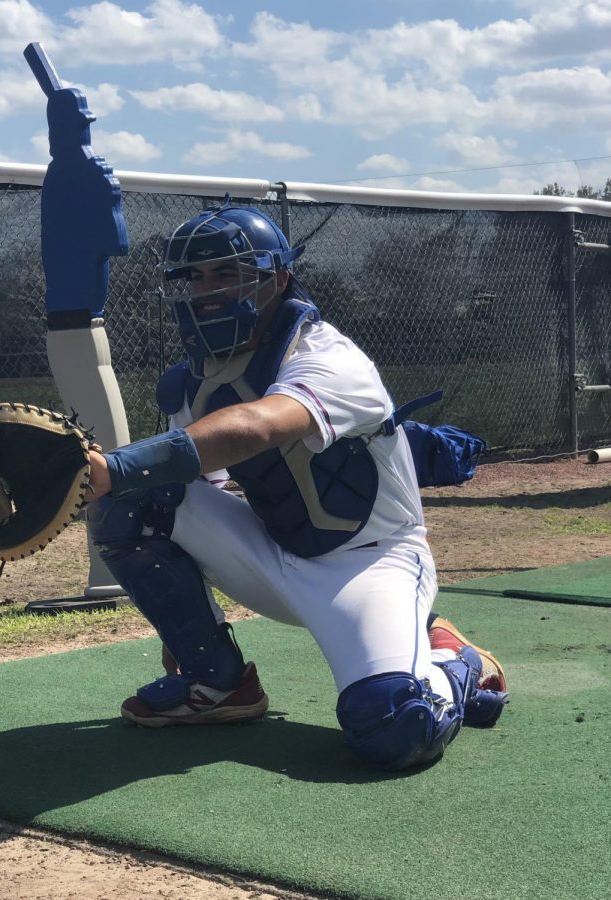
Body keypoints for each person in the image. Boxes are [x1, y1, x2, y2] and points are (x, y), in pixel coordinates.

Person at [85, 200, 508, 771]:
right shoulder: (190, 380)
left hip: (371, 563)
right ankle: (219, 685)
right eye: (196, 276)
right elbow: (186, 492)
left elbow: (257, 426)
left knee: (393, 723)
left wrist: (114, 464)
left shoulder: (326, 355)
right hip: (273, 552)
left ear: (276, 279)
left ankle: (456, 660)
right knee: (135, 498)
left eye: (229, 273)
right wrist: (180, 630)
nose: (209, 291)